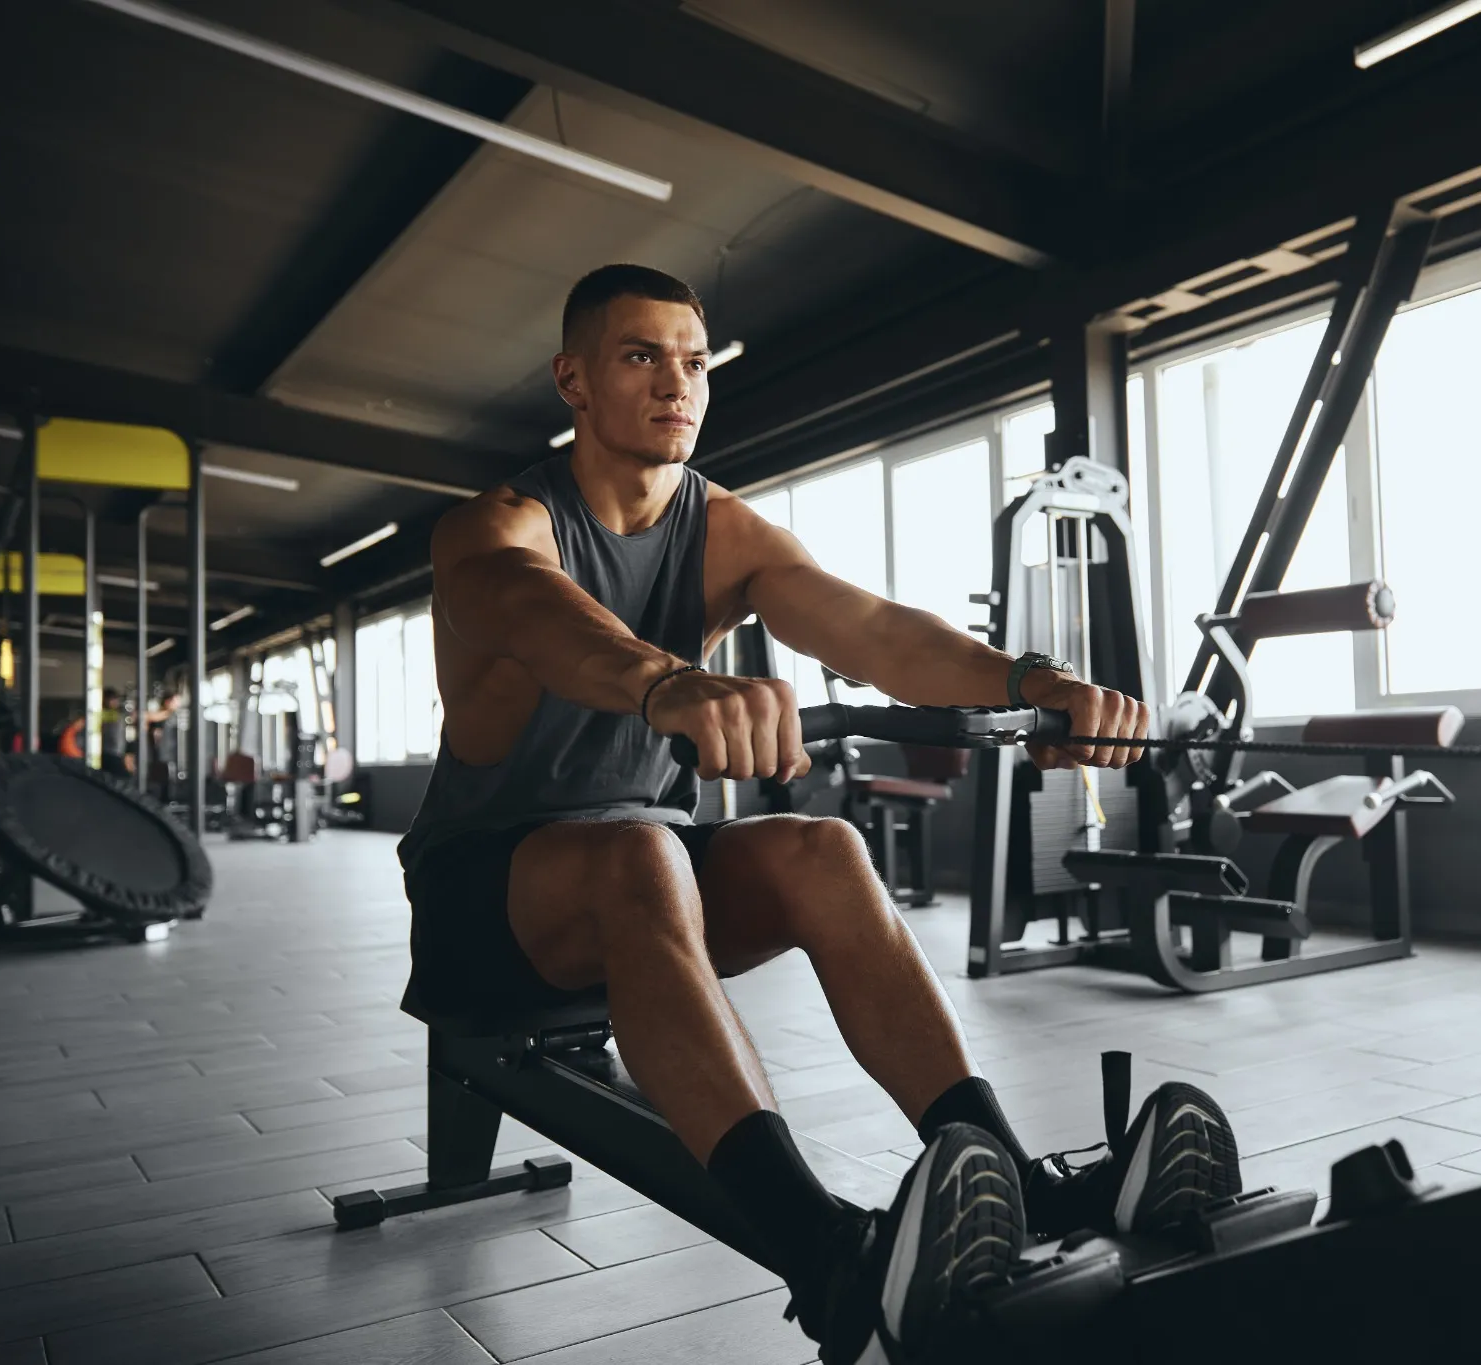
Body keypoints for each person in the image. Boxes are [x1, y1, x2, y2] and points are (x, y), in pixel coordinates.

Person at [403, 265, 1243, 1363]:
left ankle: (1006, 1178)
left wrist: (1034, 685)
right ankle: (825, 1258)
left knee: (821, 847)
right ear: (572, 378)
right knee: (640, 858)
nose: (677, 383)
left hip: (634, 866)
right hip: (485, 898)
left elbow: (876, 631)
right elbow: (537, 612)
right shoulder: (496, 528)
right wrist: (669, 683)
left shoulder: (720, 530)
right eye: (640, 356)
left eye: (694, 361)